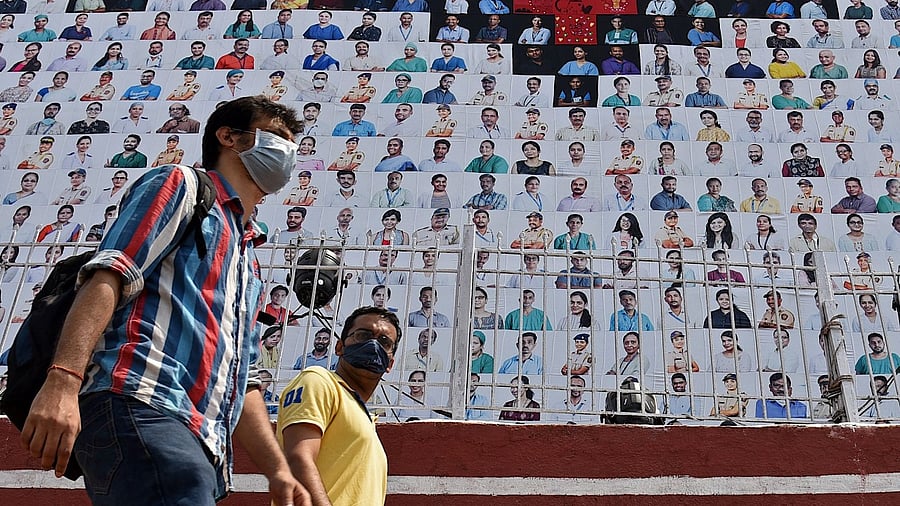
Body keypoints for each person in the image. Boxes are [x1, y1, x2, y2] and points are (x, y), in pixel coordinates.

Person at [24, 97, 311, 504]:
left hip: (197, 439)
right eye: (276, 136)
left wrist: (278, 472)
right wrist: (63, 381)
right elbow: (110, 274)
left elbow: (243, 378)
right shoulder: (182, 186)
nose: (287, 152)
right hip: (141, 401)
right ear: (228, 137)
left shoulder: (248, 258)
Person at [278, 307, 400, 504]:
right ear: (339, 347)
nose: (373, 345)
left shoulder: (363, 418)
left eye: (384, 342)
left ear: (390, 364)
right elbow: (298, 460)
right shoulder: (318, 381)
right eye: (363, 335)